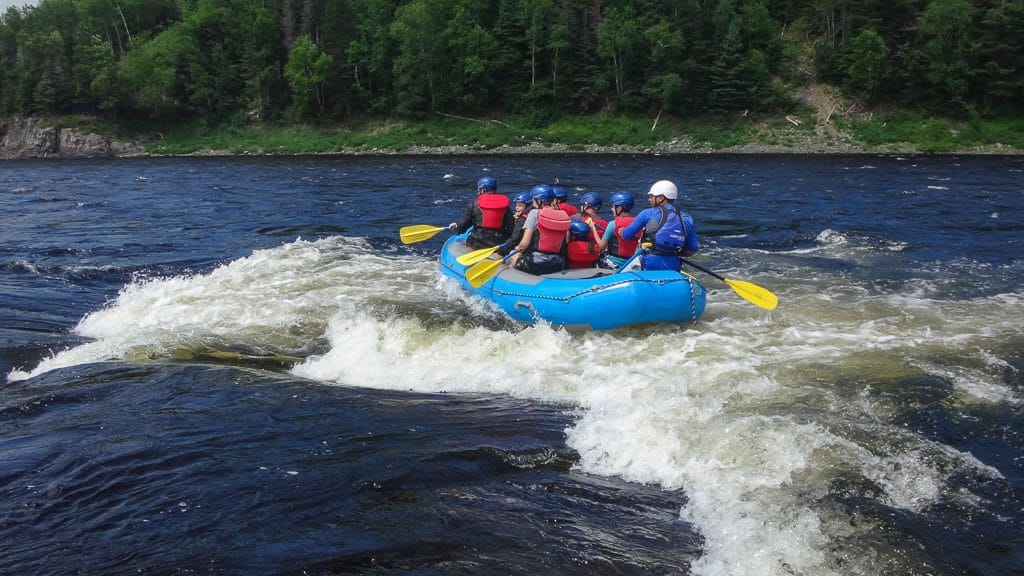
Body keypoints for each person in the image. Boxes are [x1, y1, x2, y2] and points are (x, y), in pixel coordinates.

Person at [619, 180, 698, 271]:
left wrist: (621, 231)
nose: (649, 199)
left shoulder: (647, 213)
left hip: (649, 264)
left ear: (661, 198)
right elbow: (692, 248)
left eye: (651, 196)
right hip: (673, 266)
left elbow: (626, 235)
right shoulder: (687, 218)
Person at [509, 185, 571, 274]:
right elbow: (567, 239)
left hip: (534, 264)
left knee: (514, 253)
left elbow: (524, 244)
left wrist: (518, 248)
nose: (533, 202)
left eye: (534, 199)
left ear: (539, 200)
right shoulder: (563, 215)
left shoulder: (534, 213)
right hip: (556, 264)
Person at [449, 176, 513, 249]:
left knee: (459, 243)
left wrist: (456, 227)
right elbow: (511, 228)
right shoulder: (505, 206)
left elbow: (463, 227)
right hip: (498, 243)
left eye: (479, 189)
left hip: (477, 243)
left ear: (483, 190)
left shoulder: (474, 204)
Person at [590, 191, 641, 268]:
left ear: (619, 208)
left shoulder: (612, 224)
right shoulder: (638, 223)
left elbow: (601, 246)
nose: (612, 209)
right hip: (632, 263)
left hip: (614, 263)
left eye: (613, 207)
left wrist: (593, 228)